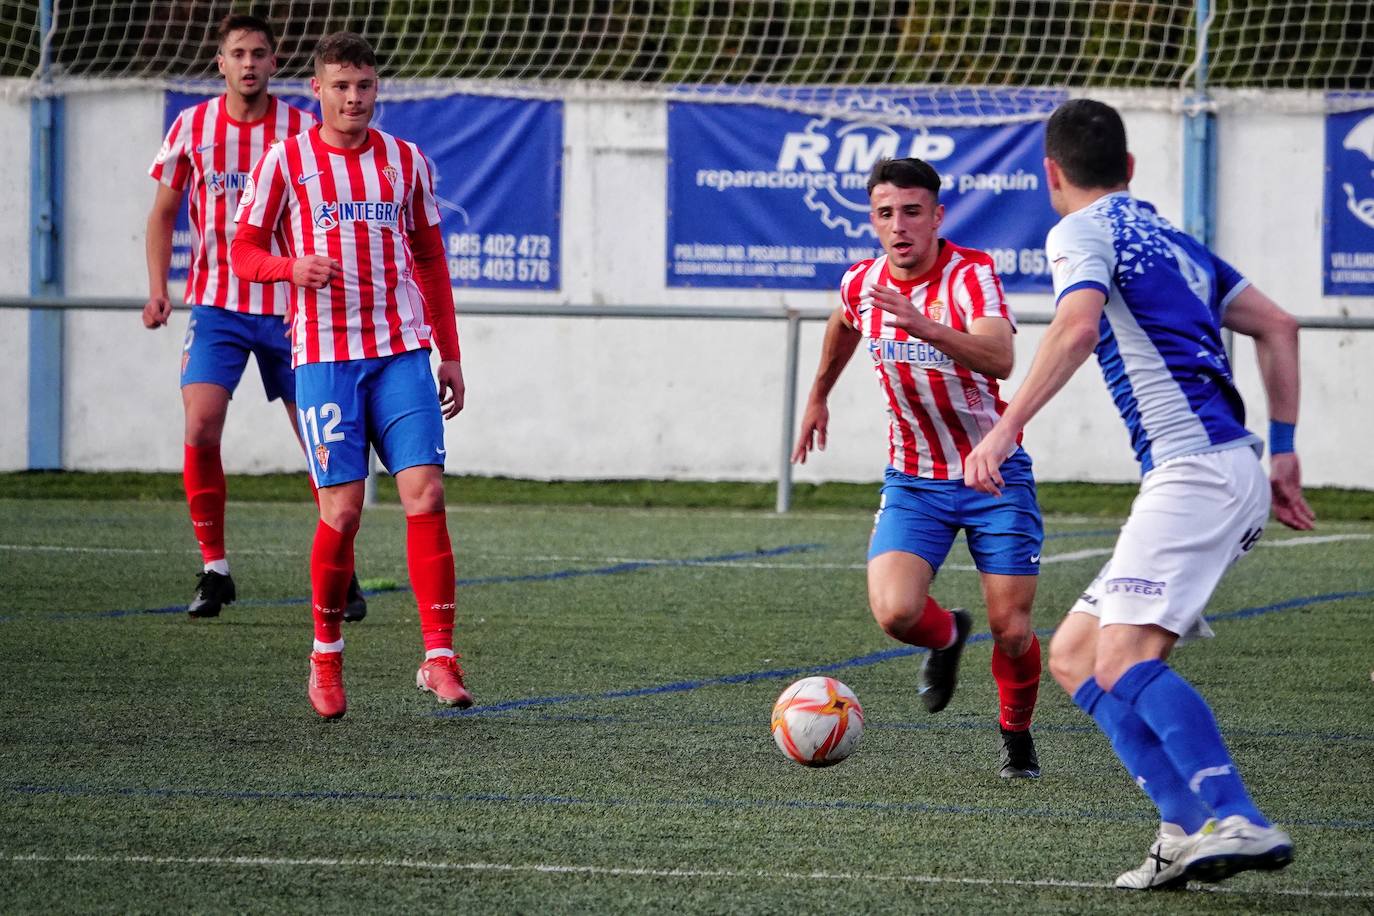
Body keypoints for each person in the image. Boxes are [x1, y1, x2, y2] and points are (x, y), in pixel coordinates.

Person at [964, 99, 1316, 888]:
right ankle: (1184, 828)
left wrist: (1003, 429)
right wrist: (1286, 454)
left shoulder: (1079, 231)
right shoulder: (1178, 242)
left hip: (1194, 470)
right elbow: (1281, 325)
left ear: (1051, 175)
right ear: (1129, 170)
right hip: (1226, 467)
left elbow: (1077, 328)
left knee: (1121, 658)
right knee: (1075, 655)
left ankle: (1236, 816)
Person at [231, 31, 471, 719]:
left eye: (364, 86)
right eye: (340, 86)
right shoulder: (288, 160)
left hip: (401, 351)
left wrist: (448, 353)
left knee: (424, 493)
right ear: (317, 89)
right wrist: (289, 269)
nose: (354, 98)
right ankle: (326, 658)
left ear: (377, 89)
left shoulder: (405, 163)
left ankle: (440, 658)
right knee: (343, 510)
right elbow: (244, 251)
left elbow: (430, 260)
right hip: (325, 359)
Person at [792, 157, 1045, 778]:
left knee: (1011, 630)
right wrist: (819, 393)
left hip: (994, 475)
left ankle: (1016, 738)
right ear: (873, 221)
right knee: (896, 613)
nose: (899, 226)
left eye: (911, 212)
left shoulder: (972, 276)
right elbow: (843, 323)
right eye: (885, 214)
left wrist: (923, 325)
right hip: (913, 479)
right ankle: (947, 636)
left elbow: (1001, 357)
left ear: (937, 216)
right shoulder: (863, 282)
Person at [144, 13, 366, 623]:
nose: (248, 63)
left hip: (294, 311)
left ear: (276, 61)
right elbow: (163, 213)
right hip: (218, 305)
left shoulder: (301, 127)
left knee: (321, 445)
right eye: (237, 52)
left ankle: (340, 569)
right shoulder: (192, 126)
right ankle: (215, 570)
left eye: (259, 52)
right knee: (201, 425)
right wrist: (158, 289)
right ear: (221, 62)